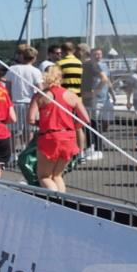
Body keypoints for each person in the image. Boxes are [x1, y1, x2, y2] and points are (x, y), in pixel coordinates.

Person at [28, 65, 90, 193]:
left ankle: (54, 201)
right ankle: (62, 200)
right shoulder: (72, 95)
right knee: (57, 176)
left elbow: (31, 119)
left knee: (44, 176)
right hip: (68, 137)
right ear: (61, 77)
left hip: (49, 137)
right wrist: (74, 127)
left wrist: (42, 124)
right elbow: (85, 118)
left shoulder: (39, 96)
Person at [4, 45, 43, 155]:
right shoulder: (36, 71)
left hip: (15, 103)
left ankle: (12, 155)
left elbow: (8, 89)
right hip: (30, 103)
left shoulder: (12, 69)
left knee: (13, 131)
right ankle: (27, 153)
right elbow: (40, 89)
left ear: (22, 56)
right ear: (34, 58)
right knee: (29, 131)